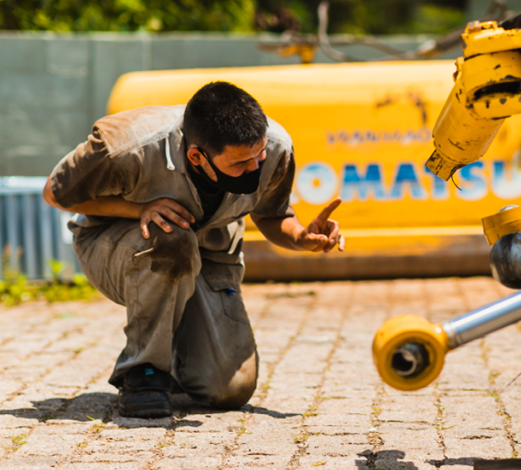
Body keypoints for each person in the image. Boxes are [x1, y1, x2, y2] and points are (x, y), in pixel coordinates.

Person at [42, 81, 342, 418]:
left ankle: (183, 358)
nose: (255, 169)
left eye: (258, 157)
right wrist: (140, 208)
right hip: (117, 246)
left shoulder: (274, 147)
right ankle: (143, 372)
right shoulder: (127, 146)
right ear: (197, 157)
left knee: (230, 390)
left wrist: (301, 237)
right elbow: (55, 193)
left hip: (208, 252)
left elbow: (273, 215)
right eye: (240, 165)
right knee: (172, 238)